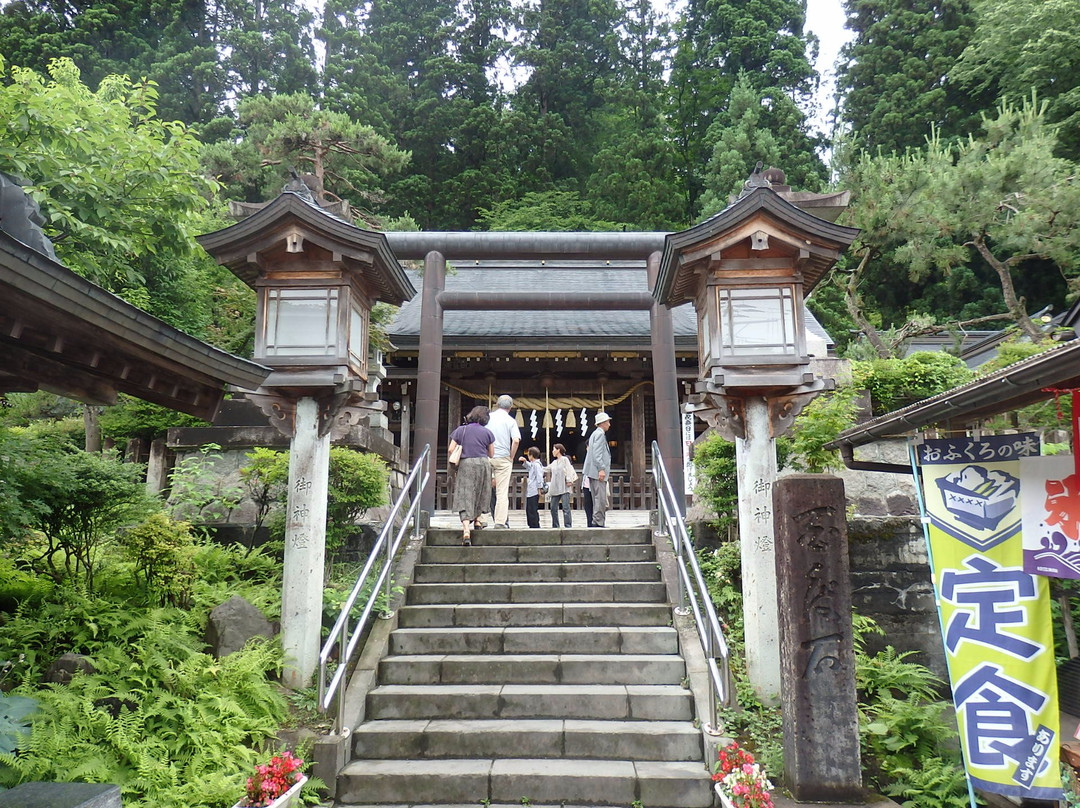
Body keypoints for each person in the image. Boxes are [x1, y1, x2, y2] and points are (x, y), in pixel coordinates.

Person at [448, 406, 494, 545]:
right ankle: (478, 520)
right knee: (481, 492)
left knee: (465, 494)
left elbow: (451, 449)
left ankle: (466, 530)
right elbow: (491, 454)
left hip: (466, 463)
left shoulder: (461, 430)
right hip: (483, 463)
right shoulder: (487, 432)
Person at [487, 394, 521, 528]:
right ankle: (500, 522)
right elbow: (516, 440)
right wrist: (511, 456)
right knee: (502, 492)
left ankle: (482, 520)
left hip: (488, 456)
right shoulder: (511, 421)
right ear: (511, 407)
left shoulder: (488, 418)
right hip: (503, 458)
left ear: (497, 404)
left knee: (485, 489)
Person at [581, 411, 612, 527]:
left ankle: (596, 521)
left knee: (597, 497)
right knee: (600, 498)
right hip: (596, 471)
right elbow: (597, 453)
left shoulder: (594, 434)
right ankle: (598, 522)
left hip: (592, 471)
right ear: (603, 423)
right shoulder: (599, 434)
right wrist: (601, 469)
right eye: (608, 422)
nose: (609, 424)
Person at [545, 443, 576, 528]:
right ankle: (555, 525)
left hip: (564, 486)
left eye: (554, 449)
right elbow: (547, 468)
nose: (553, 451)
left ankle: (568, 525)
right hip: (555, 486)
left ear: (558, 450)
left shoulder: (565, 459)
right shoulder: (554, 462)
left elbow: (569, 470)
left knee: (566, 508)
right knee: (553, 508)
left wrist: (569, 480)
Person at [521, 446, 544, 529]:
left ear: (531, 455)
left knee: (533, 509)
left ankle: (535, 524)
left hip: (534, 490)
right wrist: (525, 461)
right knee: (529, 509)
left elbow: (539, 477)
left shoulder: (537, 465)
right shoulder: (534, 464)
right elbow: (529, 466)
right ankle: (531, 524)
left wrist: (539, 488)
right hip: (531, 490)